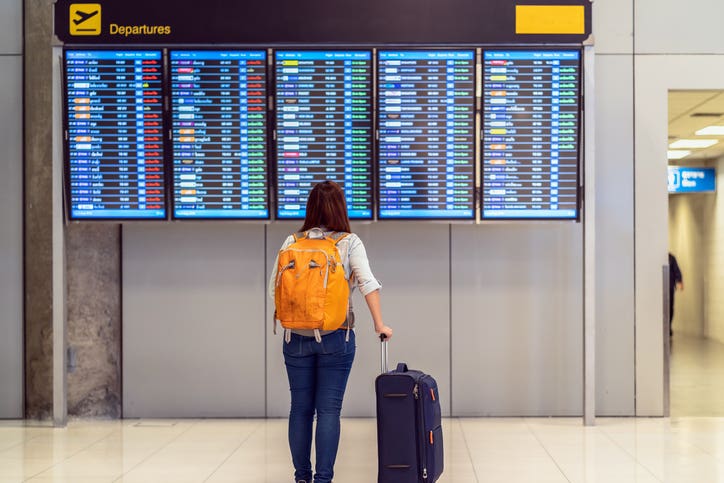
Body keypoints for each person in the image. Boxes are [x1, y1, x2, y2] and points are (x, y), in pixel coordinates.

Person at [269, 180, 393, 483]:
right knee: (328, 411)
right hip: (336, 336)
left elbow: (275, 287)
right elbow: (368, 283)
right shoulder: (349, 242)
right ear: (340, 207)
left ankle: (302, 477)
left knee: (300, 410)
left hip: (294, 338)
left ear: (310, 207)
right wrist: (380, 325)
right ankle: (324, 479)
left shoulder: (292, 242)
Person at [669, 252, 684, 336]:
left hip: (670, 288)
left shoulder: (671, 258)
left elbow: (677, 270)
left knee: (670, 308)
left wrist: (680, 281)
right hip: (659, 290)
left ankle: (668, 327)